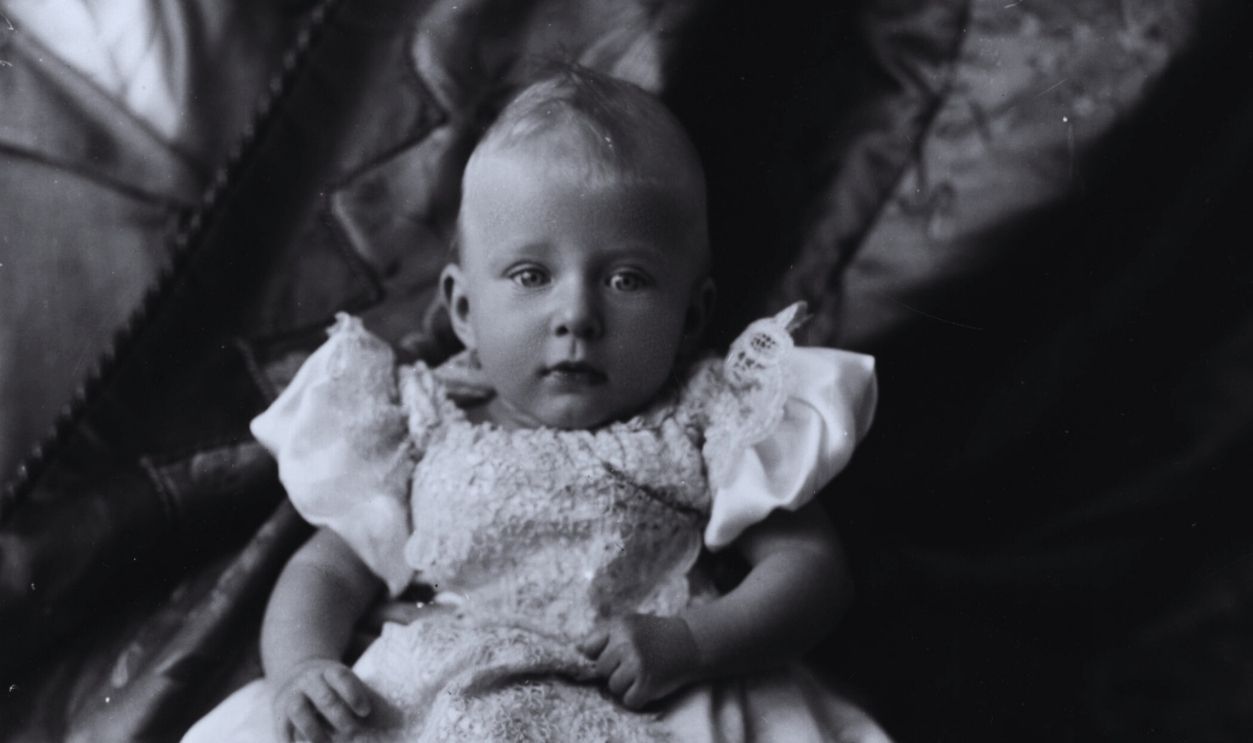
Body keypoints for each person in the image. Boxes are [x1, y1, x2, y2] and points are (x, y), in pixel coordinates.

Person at [183, 65, 883, 742]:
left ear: (690, 316)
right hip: (452, 690)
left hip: (651, 691)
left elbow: (811, 571)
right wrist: (302, 666)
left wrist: (693, 643)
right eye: (530, 274)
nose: (576, 313)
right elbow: (326, 568)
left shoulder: (707, 418)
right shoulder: (424, 423)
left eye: (626, 278)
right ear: (462, 306)